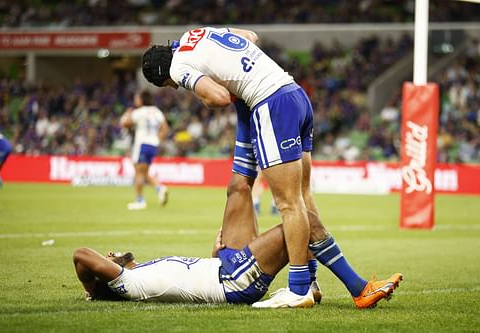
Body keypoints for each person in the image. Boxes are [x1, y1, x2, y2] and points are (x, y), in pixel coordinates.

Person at [141, 27, 402, 308]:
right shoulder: (196, 34)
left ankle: (299, 288)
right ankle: (328, 284)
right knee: (302, 199)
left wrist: (211, 94)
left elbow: (215, 96)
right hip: (295, 94)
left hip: (270, 104)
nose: (174, 87)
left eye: (169, 85)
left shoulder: (178, 67)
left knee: (289, 205)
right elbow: (251, 36)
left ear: (161, 76)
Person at [73, 213, 401, 306]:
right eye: (108, 258)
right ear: (110, 276)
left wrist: (217, 255)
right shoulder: (127, 283)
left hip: (227, 271)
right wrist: (95, 290)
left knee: (298, 225)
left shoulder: (142, 274)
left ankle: (310, 286)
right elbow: (80, 255)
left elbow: (193, 280)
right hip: (233, 280)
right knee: (305, 223)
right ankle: (359, 289)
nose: (110, 254)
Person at [120, 91, 170, 210]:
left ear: (142, 100)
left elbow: (125, 124)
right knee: (143, 172)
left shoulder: (139, 112)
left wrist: (127, 114)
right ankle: (160, 188)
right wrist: (158, 140)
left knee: (138, 173)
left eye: (137, 98)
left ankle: (140, 201)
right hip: (153, 145)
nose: (136, 100)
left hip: (142, 144)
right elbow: (165, 128)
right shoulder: (157, 111)